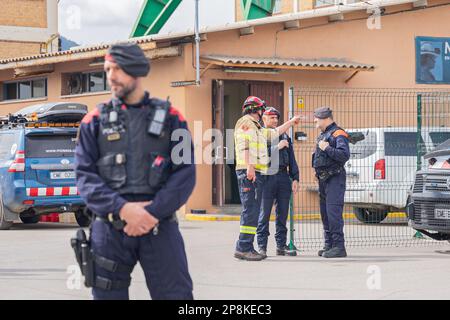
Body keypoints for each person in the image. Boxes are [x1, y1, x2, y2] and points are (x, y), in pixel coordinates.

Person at [74, 43, 195, 299]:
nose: (111, 76)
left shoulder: (174, 118)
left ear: (136, 70)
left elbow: (185, 173)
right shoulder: (92, 121)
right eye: (107, 69)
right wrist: (124, 209)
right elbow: (85, 178)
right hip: (109, 231)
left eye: (117, 68)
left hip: (159, 227)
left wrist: (151, 213)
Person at [234, 96, 300, 261]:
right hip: (249, 172)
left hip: (256, 173)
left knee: (253, 211)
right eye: (261, 109)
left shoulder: (256, 127)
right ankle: (243, 247)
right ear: (257, 110)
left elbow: (274, 133)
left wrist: (291, 122)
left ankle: (247, 246)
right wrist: (250, 166)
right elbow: (245, 145)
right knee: (250, 211)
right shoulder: (246, 123)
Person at [257, 107, 299, 258]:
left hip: (282, 176)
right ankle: (262, 247)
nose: (274, 120)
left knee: (282, 215)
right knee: (264, 215)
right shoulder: (260, 134)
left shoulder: (285, 136)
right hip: (266, 176)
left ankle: (281, 246)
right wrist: (276, 147)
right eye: (271, 117)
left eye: (276, 118)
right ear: (264, 119)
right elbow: (258, 155)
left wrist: (295, 178)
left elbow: (292, 158)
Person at [312, 106, 350, 258]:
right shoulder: (323, 134)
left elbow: (344, 155)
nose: (315, 120)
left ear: (325, 118)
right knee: (325, 214)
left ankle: (339, 247)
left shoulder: (338, 133)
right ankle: (329, 245)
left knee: (333, 213)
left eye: (317, 118)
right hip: (323, 179)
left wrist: (327, 148)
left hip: (335, 178)